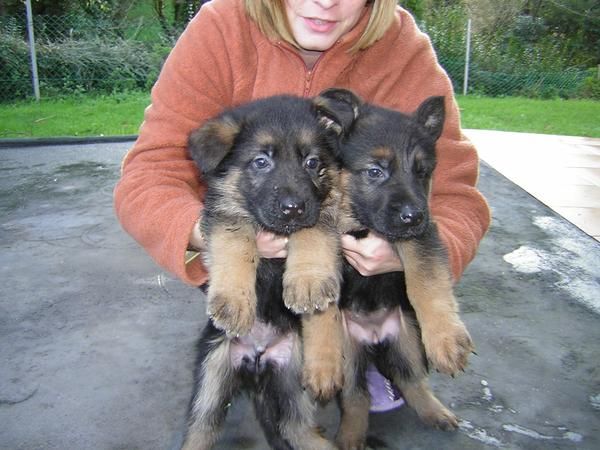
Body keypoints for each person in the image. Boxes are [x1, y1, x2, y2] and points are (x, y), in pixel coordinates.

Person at [113, 0, 490, 412]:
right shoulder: (221, 28)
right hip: (249, 253)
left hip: (357, 256)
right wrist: (220, 236)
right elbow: (149, 174)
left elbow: (456, 194)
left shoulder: (403, 49)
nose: (326, 2)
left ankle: (359, 345)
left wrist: (409, 258)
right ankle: (271, 334)